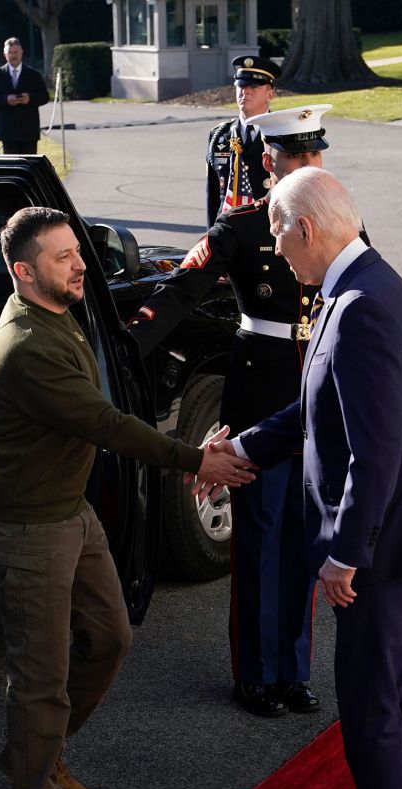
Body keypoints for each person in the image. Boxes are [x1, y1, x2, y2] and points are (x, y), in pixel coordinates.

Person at [0, 206, 254, 789]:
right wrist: (196, 458)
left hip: (67, 509)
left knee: (110, 635)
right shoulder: (29, 345)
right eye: (63, 257)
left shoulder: (56, 309)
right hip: (28, 525)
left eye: (79, 250)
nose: (80, 264)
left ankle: (35, 752)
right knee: (40, 674)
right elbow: (106, 423)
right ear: (24, 272)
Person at [219, 169, 402, 789]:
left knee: (372, 708)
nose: (279, 256)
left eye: (280, 241)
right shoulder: (360, 287)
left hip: (383, 548)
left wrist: (344, 554)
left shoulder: (361, 306)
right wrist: (245, 448)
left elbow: (375, 453)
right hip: (400, 536)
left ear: (307, 230)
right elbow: (312, 408)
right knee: (390, 701)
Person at [130, 105, 334, 719]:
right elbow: (179, 292)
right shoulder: (242, 227)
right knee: (260, 540)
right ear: (271, 162)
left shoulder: (341, 221)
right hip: (260, 395)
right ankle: (255, 671)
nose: (308, 167)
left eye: (314, 156)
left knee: (304, 540)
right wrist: (119, 349)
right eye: (296, 158)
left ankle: (293, 669)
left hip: (314, 398)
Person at [205, 56, 279, 227]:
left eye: (254, 86)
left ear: (270, 94)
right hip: (227, 232)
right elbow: (213, 194)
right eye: (241, 85)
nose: (245, 91)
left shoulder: (282, 134)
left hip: (266, 232)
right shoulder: (219, 136)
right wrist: (211, 236)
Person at [0, 37, 49, 155]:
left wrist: (30, 98)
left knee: (30, 165)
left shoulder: (34, 75)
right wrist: (6, 99)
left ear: (22, 52)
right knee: (11, 167)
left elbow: (45, 96)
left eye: (16, 52)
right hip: (7, 130)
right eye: (10, 52)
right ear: (5, 54)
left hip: (29, 129)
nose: (13, 55)